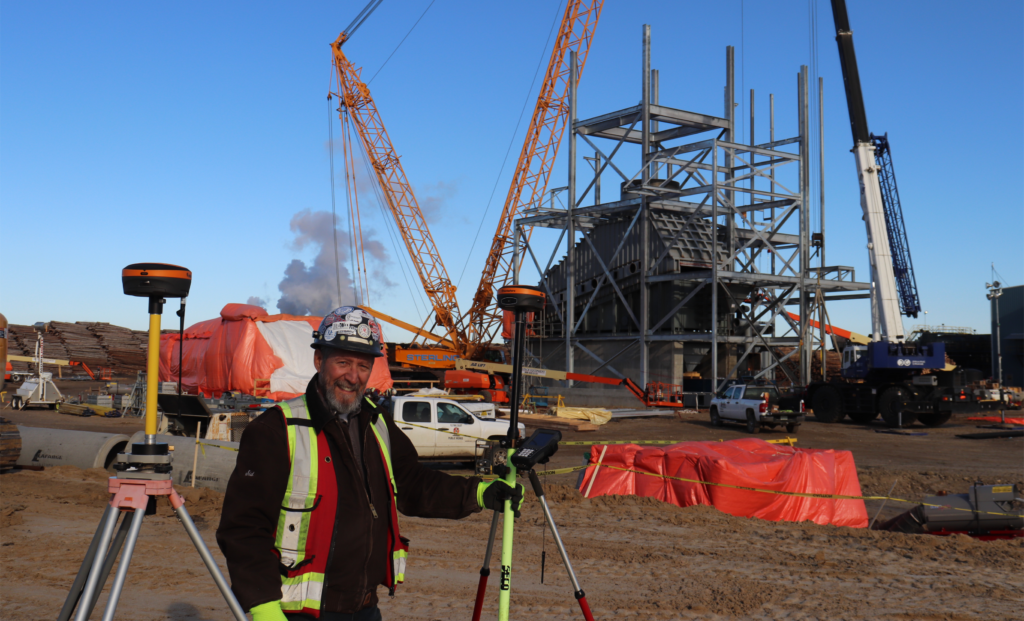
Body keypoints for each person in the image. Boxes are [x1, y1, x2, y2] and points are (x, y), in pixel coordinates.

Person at [216, 306, 523, 620]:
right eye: (343, 362)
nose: (353, 376)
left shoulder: (376, 423)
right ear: (319, 360)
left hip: (363, 607)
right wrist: (263, 604)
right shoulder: (276, 430)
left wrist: (479, 493)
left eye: (363, 365)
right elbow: (244, 526)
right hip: (298, 612)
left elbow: (413, 483)